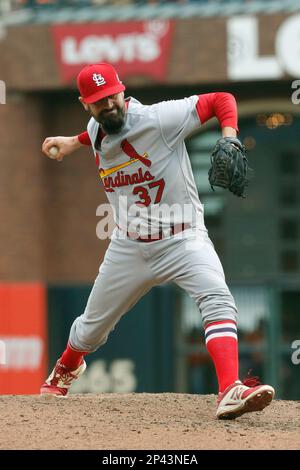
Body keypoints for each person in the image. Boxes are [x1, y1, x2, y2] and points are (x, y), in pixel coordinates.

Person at [40, 62, 275, 419]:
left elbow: (220, 100)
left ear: (123, 91)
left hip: (183, 238)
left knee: (217, 298)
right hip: (129, 245)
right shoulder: (97, 126)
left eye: (112, 97)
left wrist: (228, 136)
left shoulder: (160, 118)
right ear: (85, 104)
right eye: (99, 102)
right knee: (91, 329)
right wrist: (73, 142)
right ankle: (67, 367)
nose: (109, 106)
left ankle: (230, 389)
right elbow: (98, 131)